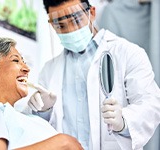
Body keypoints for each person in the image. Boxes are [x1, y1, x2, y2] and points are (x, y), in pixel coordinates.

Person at [27, 0, 160, 150]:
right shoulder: (49, 70)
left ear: (92, 13)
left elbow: (151, 105)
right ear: (52, 25)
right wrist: (43, 112)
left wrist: (124, 121)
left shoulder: (128, 53)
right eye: (61, 26)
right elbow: (41, 134)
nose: (70, 30)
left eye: (76, 20)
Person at [0, 37, 83, 150]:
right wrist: (63, 142)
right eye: (16, 60)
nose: (27, 69)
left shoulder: (20, 116)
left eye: (24, 61)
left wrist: (43, 112)